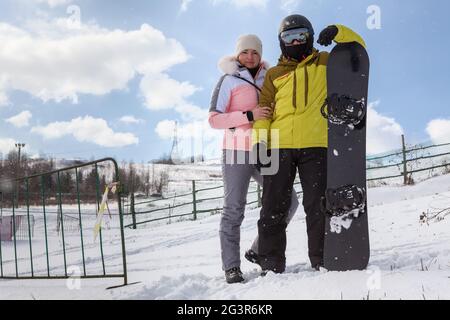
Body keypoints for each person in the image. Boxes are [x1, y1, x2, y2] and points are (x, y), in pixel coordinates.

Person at [252, 15, 366, 274]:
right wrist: (260, 143)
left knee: (318, 204)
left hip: (316, 145)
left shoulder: (327, 62)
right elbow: (264, 112)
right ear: (281, 42)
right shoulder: (274, 75)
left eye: (301, 35)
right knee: (272, 206)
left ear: (311, 36)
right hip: (278, 146)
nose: (295, 41)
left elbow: (359, 51)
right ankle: (270, 264)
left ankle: (323, 259)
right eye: (288, 37)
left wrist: (340, 31)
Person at [209, 34, 299, 284]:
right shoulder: (228, 79)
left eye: (255, 53)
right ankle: (232, 267)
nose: (250, 57)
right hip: (236, 151)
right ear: (237, 54)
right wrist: (249, 114)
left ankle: (258, 249)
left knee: (287, 202)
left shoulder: (269, 77)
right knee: (233, 209)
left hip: (265, 149)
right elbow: (214, 119)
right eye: (245, 52)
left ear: (261, 55)